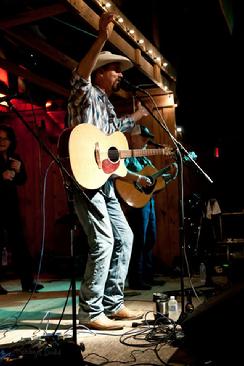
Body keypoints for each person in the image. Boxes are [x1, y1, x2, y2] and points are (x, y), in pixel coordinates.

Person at [67, 11, 152, 330]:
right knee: (103, 241)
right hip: (84, 180)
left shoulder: (108, 105)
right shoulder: (86, 93)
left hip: (104, 181)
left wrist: (139, 117)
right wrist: (102, 36)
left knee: (126, 237)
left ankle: (113, 303)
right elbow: (79, 76)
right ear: (100, 73)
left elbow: (112, 148)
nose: (119, 74)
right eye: (115, 69)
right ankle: (91, 311)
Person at [122, 125, 178, 290]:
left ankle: (147, 275)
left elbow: (156, 182)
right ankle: (136, 279)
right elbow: (123, 176)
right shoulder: (127, 157)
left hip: (148, 202)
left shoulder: (145, 160)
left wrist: (172, 173)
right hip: (135, 203)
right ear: (133, 138)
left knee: (150, 238)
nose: (146, 142)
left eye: (147, 139)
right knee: (139, 240)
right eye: (143, 138)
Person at [0, 124, 43, 294]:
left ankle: (27, 282)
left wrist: (19, 171)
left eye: (5, 138)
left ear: (11, 141)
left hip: (11, 207)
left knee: (20, 244)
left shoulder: (14, 157)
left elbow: (22, 180)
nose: (1, 141)